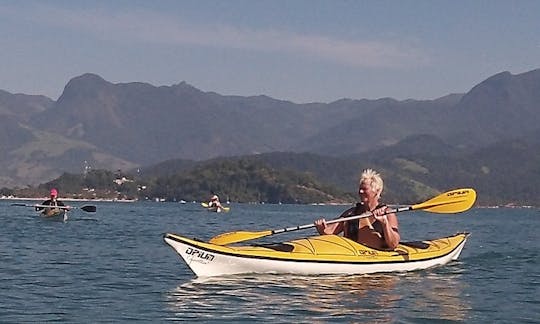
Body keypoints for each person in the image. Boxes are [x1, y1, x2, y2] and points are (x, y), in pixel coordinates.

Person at [314, 169, 400, 250]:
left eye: (365, 189)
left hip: (377, 255)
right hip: (353, 254)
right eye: (360, 189)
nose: (361, 192)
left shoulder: (388, 213)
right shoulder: (351, 213)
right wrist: (322, 229)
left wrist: (385, 223)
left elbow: (393, 244)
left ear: (376, 191)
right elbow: (330, 232)